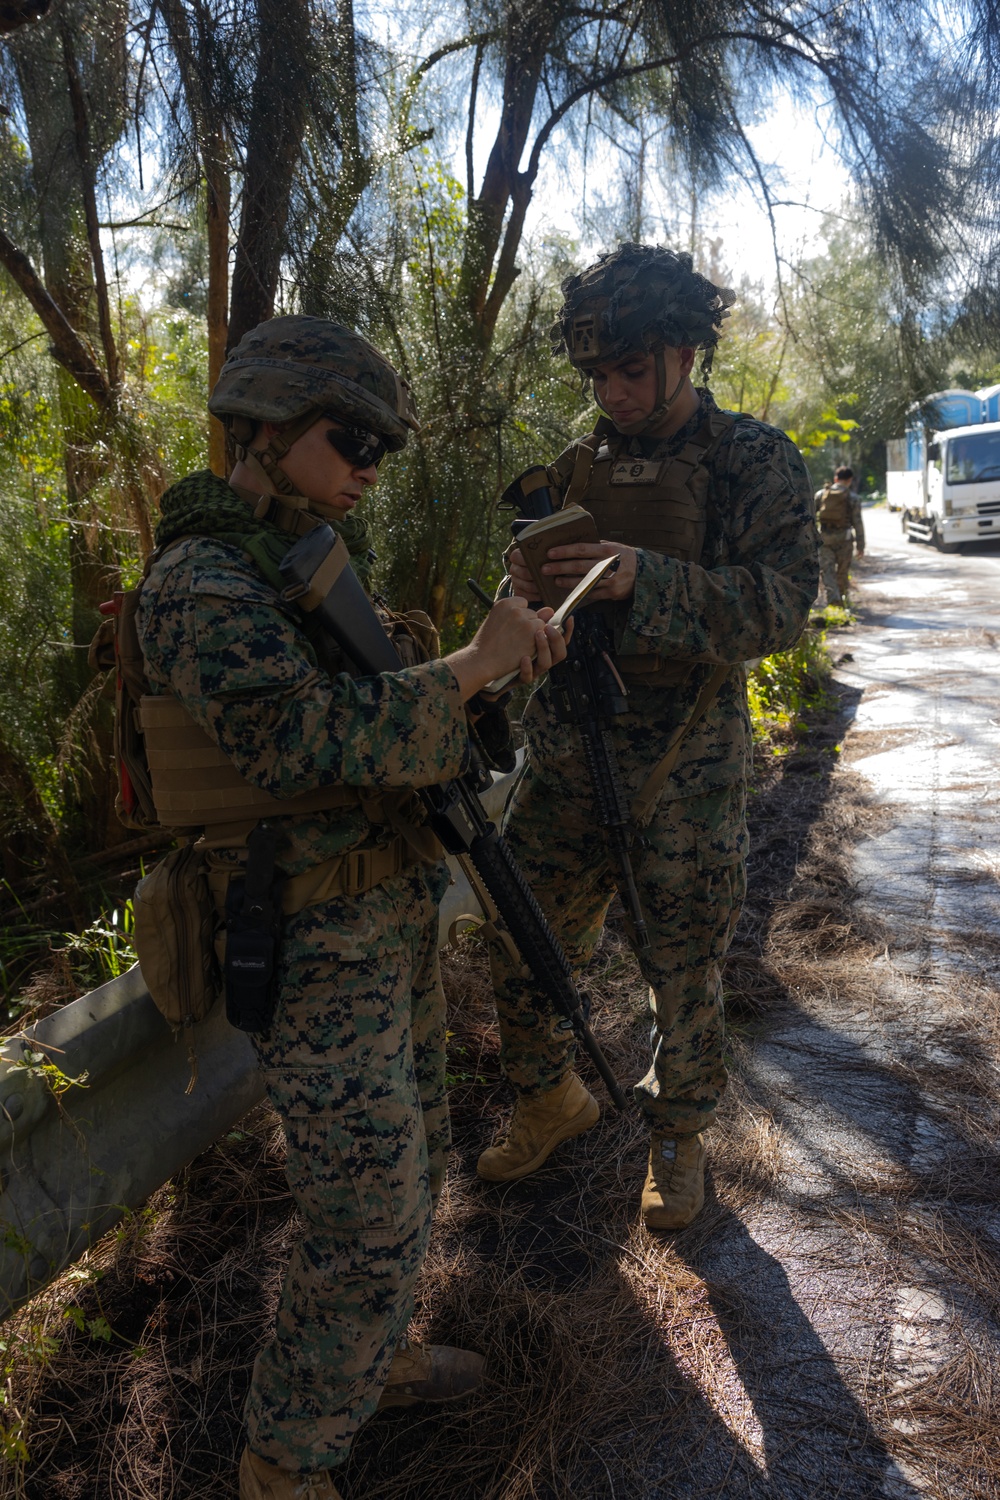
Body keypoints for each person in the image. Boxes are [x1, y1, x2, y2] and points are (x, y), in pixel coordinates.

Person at [134, 317, 568, 1500]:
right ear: (264, 432)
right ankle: (283, 1460)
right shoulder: (201, 580)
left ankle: (360, 1362)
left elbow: (382, 726)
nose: (372, 461)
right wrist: (467, 667)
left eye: (384, 442)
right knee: (366, 1212)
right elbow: (291, 739)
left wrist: (485, 679)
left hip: (384, 918)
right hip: (310, 939)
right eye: (352, 436)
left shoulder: (304, 556)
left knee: (417, 1159)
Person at [478, 244, 819, 1231]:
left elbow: (785, 608)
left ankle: (678, 1136)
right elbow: (528, 601)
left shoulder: (750, 460)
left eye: (631, 371)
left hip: (688, 763)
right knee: (524, 930)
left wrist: (644, 578)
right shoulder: (579, 465)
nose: (614, 393)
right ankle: (549, 1098)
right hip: (573, 748)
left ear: (682, 353)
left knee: (682, 959)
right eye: (596, 376)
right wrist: (526, 599)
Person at [816, 464, 865, 605]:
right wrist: (861, 546)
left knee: (827, 571)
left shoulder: (821, 494)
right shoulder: (853, 498)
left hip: (824, 539)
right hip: (845, 539)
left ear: (835, 478)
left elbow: (811, 517)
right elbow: (858, 523)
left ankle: (833, 600)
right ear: (850, 480)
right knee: (842, 571)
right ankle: (842, 598)